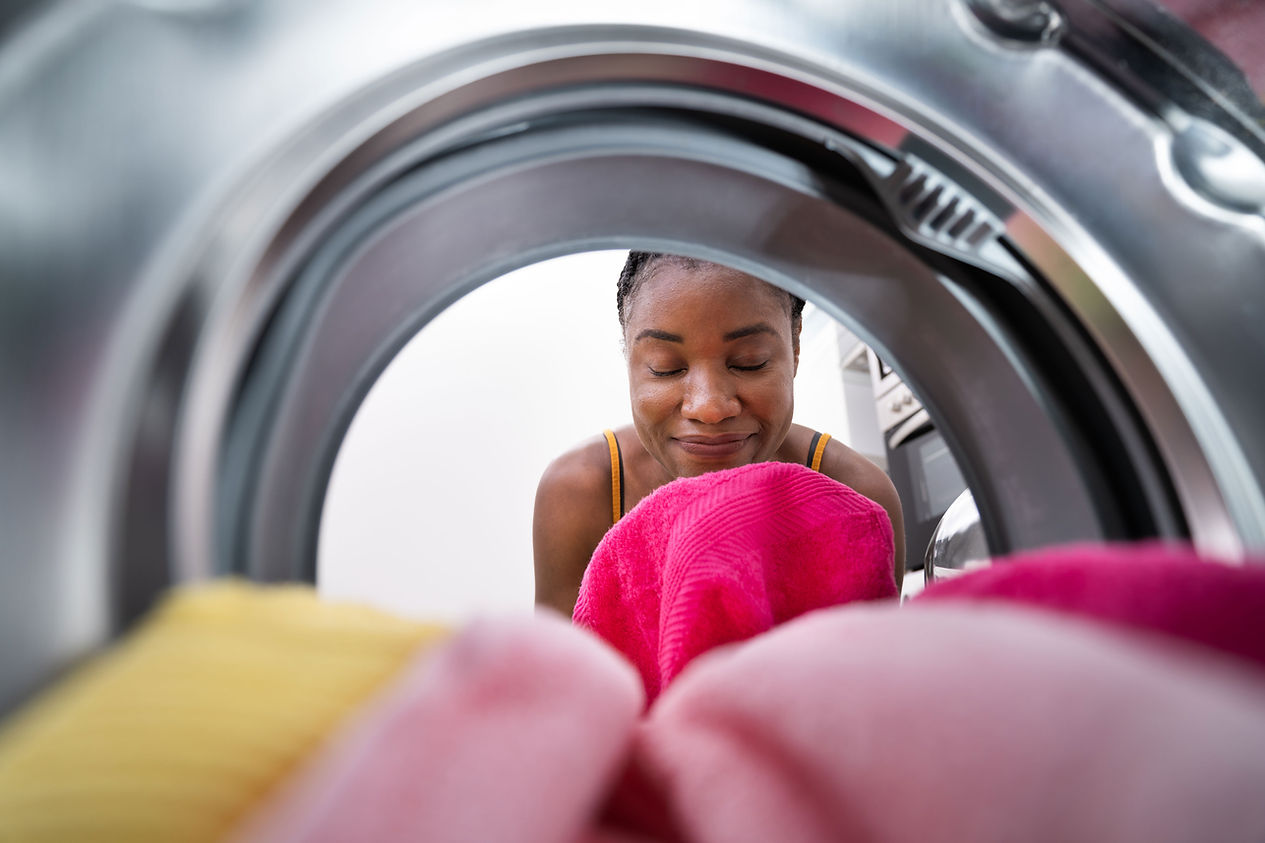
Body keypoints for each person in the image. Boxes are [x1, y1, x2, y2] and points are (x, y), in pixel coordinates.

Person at [532, 252, 905, 616]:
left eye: (749, 361)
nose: (709, 408)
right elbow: (558, 675)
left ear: (795, 346)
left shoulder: (860, 498)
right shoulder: (580, 494)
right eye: (666, 368)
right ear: (629, 357)